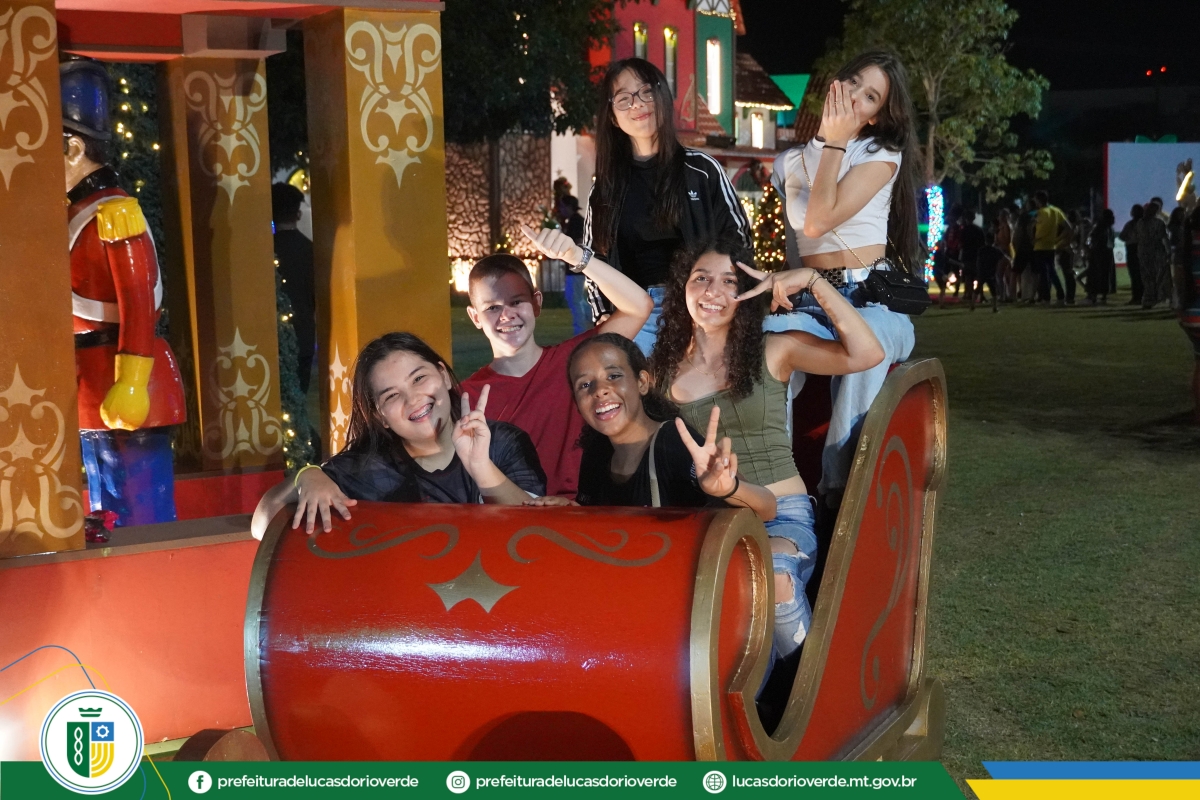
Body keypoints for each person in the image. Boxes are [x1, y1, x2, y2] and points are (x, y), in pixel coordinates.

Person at [651, 235, 885, 659]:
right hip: (714, 521)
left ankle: (805, 687)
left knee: (769, 572)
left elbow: (866, 354)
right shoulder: (662, 372)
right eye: (701, 278)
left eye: (728, 281)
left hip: (783, 518)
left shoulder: (775, 349)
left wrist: (812, 280)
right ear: (682, 287)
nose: (713, 291)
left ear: (746, 293)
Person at [767, 50, 919, 504]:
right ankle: (774, 484)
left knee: (864, 343)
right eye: (853, 83)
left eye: (870, 96)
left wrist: (833, 144)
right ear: (836, 83)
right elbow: (800, 244)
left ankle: (838, 492)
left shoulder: (879, 152)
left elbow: (818, 221)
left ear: (876, 117)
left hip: (870, 296)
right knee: (763, 343)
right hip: (811, 297)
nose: (855, 97)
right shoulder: (788, 162)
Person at [250, 333, 546, 538]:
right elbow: (261, 526)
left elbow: (538, 532)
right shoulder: (368, 471)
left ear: (443, 375)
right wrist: (307, 477)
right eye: (392, 396)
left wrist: (480, 466)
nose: (413, 399)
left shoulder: (503, 442)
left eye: (419, 378)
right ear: (380, 416)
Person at [62, 59, 186, 532]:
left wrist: (131, 382)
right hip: (91, 383)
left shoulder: (115, 213)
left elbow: (137, 303)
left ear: (73, 148)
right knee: (106, 507)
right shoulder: (77, 212)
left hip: (126, 380)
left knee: (140, 515)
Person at [460, 225, 653, 499]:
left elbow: (639, 307)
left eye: (517, 301)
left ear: (536, 302)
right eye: (492, 307)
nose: (506, 315)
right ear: (475, 317)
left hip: (582, 509)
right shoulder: (467, 397)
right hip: (511, 514)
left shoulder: (575, 360)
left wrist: (576, 257)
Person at [583, 57, 753, 354]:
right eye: (624, 98)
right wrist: (604, 315)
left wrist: (720, 297)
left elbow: (739, 240)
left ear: (662, 96)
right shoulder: (605, 189)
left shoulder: (702, 170)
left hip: (699, 309)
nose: (638, 104)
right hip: (635, 313)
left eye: (646, 92)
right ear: (612, 116)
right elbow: (593, 259)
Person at [527, 333, 777, 519]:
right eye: (584, 385)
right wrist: (573, 511)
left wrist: (729, 489)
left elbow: (767, 507)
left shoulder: (672, 442)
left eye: (614, 376)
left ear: (642, 382)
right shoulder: (597, 452)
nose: (600, 390)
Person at [272, 183, 316, 394]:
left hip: (272, 337)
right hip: (303, 334)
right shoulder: (310, 250)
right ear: (298, 214)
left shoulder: (264, 250)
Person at [558, 195, 593, 335]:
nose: (561, 209)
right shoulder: (575, 220)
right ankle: (591, 322)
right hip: (576, 266)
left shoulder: (576, 221)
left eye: (562, 206)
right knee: (578, 298)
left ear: (568, 207)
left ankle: (580, 330)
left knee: (574, 299)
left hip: (575, 267)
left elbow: (579, 242)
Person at [1032, 190, 1073, 306]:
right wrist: (1058, 239)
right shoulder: (1056, 211)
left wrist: (1035, 238)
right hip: (1051, 246)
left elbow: (1039, 229)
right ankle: (1060, 296)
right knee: (1052, 272)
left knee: (1044, 273)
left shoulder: (1040, 212)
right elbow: (1068, 227)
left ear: (1038, 200)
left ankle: (1046, 298)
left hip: (1040, 245)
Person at [1138, 198, 1171, 308]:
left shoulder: (1140, 222)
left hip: (1144, 252)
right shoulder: (1158, 223)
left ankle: (1148, 299)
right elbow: (1164, 238)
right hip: (1156, 252)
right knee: (1159, 276)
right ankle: (1158, 297)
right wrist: (1168, 251)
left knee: (1147, 277)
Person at [1083, 209, 1115, 305]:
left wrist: (1089, 248)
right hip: (1108, 252)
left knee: (1094, 274)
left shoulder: (1099, 226)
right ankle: (1104, 295)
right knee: (1105, 274)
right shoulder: (1110, 227)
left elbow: (1094, 238)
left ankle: (1092, 295)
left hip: (1098, 252)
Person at [957, 208, 985, 310]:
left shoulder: (964, 230)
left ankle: (969, 294)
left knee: (968, 276)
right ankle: (980, 295)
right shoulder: (978, 230)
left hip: (967, 255)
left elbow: (961, 244)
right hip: (977, 255)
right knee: (978, 276)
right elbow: (982, 243)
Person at [973, 230, 1008, 313]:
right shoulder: (995, 250)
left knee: (977, 289)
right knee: (993, 291)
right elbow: (1004, 257)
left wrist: (978, 270)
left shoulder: (981, 250)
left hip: (982, 272)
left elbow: (978, 261)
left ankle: (972, 305)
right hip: (991, 273)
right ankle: (994, 307)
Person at [1119, 204, 1144, 305]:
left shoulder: (1130, 224)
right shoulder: (1145, 223)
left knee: (1135, 274)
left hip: (1133, 249)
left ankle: (1137, 297)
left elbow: (1122, 236)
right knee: (1140, 274)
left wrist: (1130, 238)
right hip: (1140, 249)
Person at [994, 208, 1015, 301]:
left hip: (1004, 251)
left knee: (999, 274)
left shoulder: (1006, 226)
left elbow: (1008, 240)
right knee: (1003, 275)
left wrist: (998, 242)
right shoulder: (1001, 227)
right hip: (1001, 251)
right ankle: (1006, 294)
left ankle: (1003, 295)